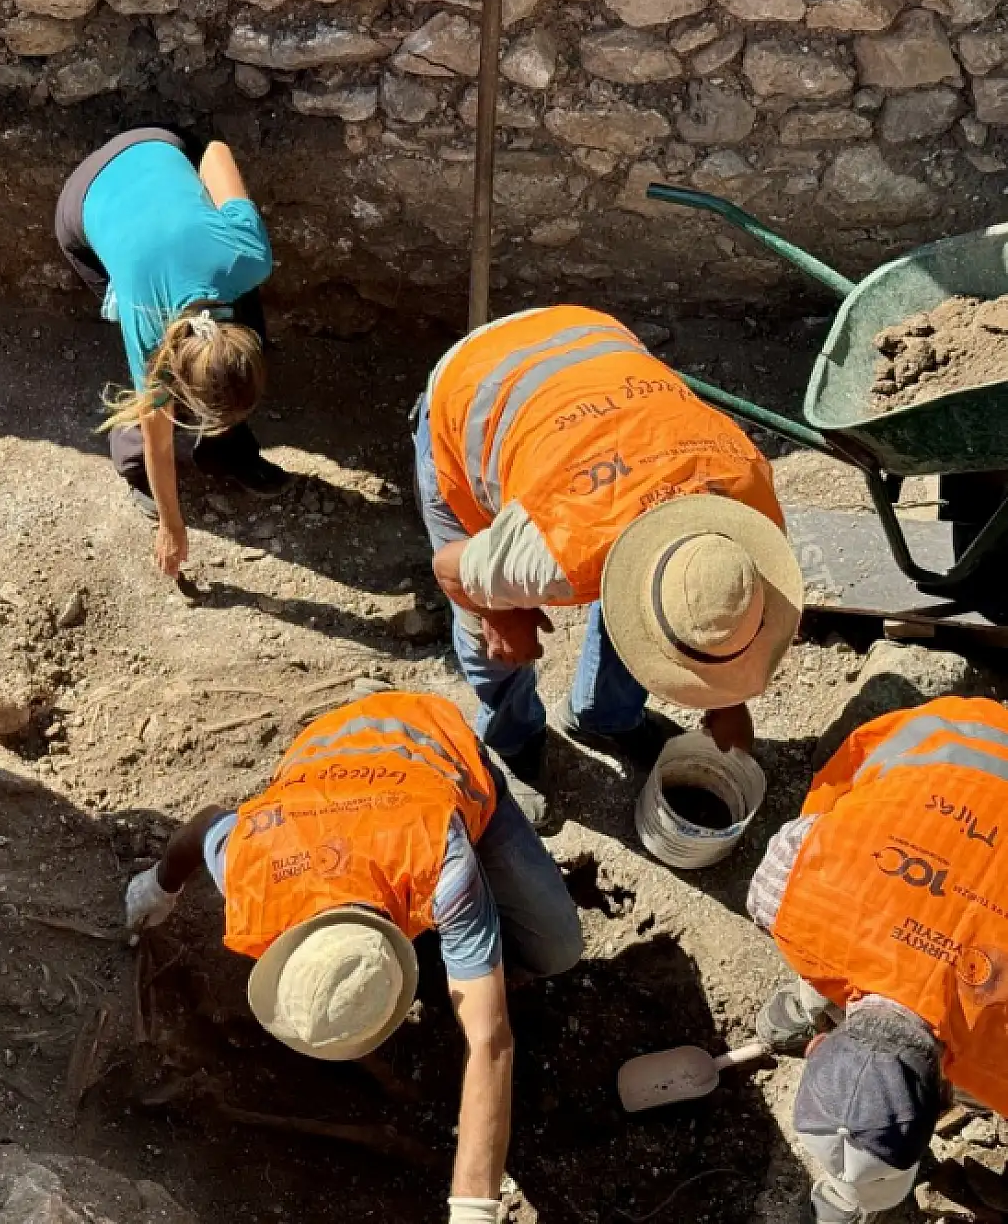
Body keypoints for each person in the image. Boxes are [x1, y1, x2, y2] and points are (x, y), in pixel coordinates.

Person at [123, 691, 583, 1224]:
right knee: (467, 953)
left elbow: (490, 1039)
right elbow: (206, 823)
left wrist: (474, 1207)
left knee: (558, 951)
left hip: (432, 749)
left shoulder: (440, 867)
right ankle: (458, 951)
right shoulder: (251, 871)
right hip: (330, 752)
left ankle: (496, 811)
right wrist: (159, 886)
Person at [413, 304, 802, 801]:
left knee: (668, 609)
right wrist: (497, 613)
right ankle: (513, 740)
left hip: (594, 353)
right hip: (472, 395)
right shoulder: (554, 553)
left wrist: (728, 700)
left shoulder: (752, 519)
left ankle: (605, 717)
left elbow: (702, 601)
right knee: (496, 645)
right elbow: (448, 569)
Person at [747, 695, 1008, 1224]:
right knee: (825, 945)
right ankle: (810, 995)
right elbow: (805, 843)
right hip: (959, 736)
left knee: (831, 947)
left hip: (964, 735)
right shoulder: (793, 903)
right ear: (943, 1100)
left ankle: (809, 999)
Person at [55, 128, 290, 577]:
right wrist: (171, 525)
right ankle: (130, 465)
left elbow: (216, 150)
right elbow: (158, 433)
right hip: (84, 198)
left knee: (248, 310)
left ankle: (225, 452)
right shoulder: (147, 323)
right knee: (152, 392)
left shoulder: (249, 256)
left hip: (162, 146)